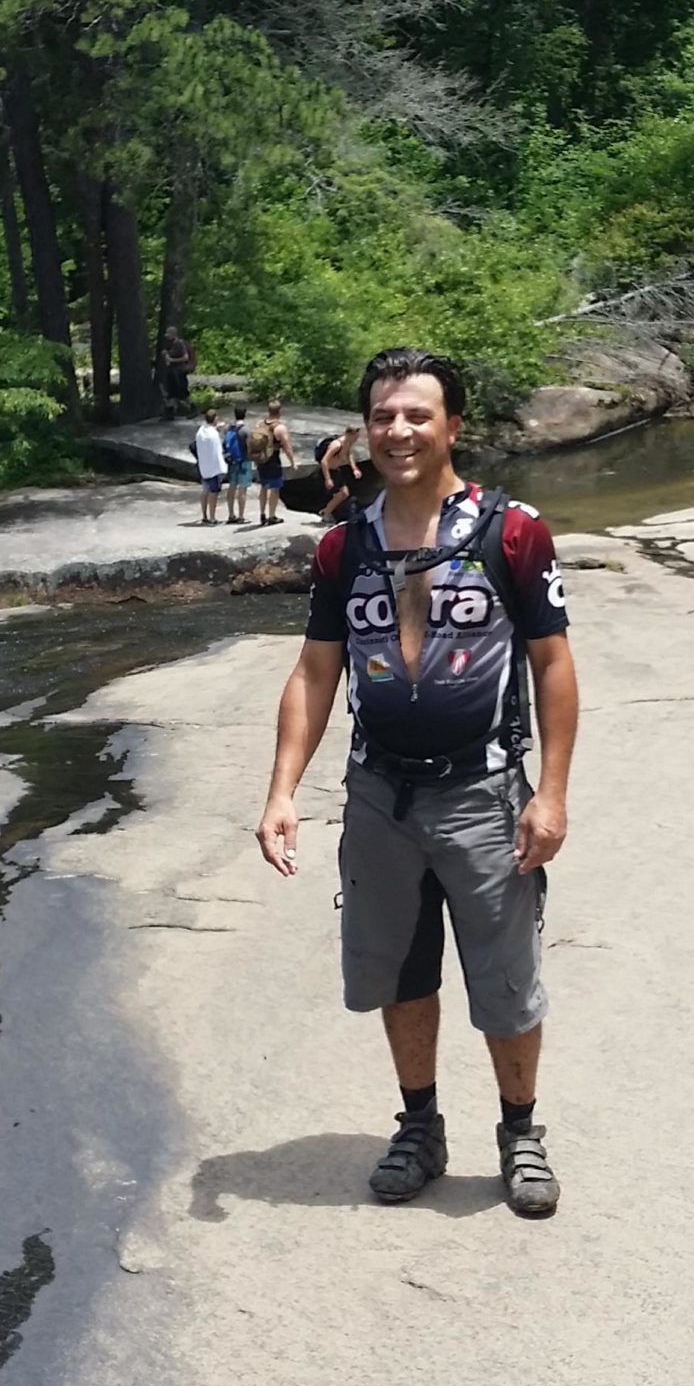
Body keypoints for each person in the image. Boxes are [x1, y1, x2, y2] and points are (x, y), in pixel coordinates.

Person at [254, 347, 580, 1219]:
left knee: (505, 977)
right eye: (384, 417)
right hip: (378, 797)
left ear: (452, 427)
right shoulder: (343, 545)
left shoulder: (511, 531)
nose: (398, 431)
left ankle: (521, 1133)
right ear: (366, 429)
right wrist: (283, 791)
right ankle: (421, 1129)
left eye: (417, 416)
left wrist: (549, 793)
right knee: (400, 971)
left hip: (482, 793)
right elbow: (315, 674)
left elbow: (552, 664)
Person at [316, 420, 371, 523]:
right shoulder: (336, 445)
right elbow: (324, 461)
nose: (357, 439)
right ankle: (326, 513)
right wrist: (327, 479)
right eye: (356, 436)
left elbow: (348, 454)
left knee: (344, 493)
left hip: (336, 471)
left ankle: (326, 511)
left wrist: (354, 469)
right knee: (341, 494)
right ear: (350, 434)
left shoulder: (348, 443)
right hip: (329, 471)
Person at [252, 400, 296, 525]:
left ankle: (262, 514)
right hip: (273, 459)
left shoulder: (260, 424)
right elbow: (287, 446)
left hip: (261, 459)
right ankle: (272, 515)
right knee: (275, 488)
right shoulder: (280, 428)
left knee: (264, 486)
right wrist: (292, 462)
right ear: (279, 411)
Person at [192, 407, 228, 525]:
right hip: (213, 467)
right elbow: (218, 450)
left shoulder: (201, 431)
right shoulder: (214, 435)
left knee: (205, 491)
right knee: (214, 493)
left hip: (203, 466)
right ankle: (212, 517)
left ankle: (205, 516)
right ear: (215, 419)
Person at [159, 327, 195, 411]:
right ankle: (170, 411)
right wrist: (166, 354)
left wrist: (172, 360)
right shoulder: (171, 345)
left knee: (183, 392)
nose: (167, 337)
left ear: (173, 335)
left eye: (169, 335)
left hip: (179, 372)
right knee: (171, 393)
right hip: (172, 372)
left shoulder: (179, 343)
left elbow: (185, 357)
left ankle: (193, 408)